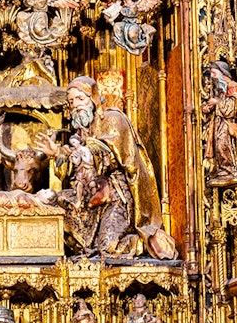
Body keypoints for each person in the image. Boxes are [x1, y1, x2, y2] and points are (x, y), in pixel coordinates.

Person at [34, 76, 176, 259]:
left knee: (108, 248)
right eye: (71, 101)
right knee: (54, 205)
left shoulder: (113, 119)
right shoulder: (83, 130)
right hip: (91, 198)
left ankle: (140, 243)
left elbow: (111, 156)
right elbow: (73, 171)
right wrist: (57, 153)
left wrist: (83, 152)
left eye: (80, 99)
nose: (75, 105)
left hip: (116, 197)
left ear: (92, 98)